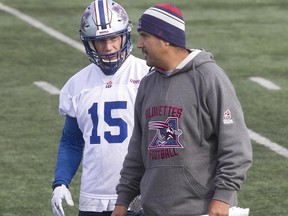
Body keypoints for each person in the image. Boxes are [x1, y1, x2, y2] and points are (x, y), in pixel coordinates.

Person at [112, 3, 253, 216]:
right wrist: (123, 201)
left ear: (165, 38)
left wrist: (223, 196)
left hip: (202, 209)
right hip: (153, 210)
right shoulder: (147, 84)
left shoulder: (209, 77)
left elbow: (236, 145)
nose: (139, 44)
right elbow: (136, 151)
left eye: (144, 36)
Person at [50, 0, 149, 215]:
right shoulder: (77, 84)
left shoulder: (147, 76)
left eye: (113, 37)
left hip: (140, 195)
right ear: (89, 43)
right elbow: (72, 141)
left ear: (125, 35)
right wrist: (60, 182)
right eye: (100, 41)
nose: (108, 47)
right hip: (93, 198)